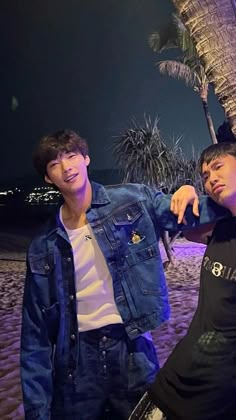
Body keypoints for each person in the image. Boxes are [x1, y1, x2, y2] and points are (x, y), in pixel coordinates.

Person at [20, 130, 227, 420]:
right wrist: (37, 411)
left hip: (132, 348)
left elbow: (194, 212)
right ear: (47, 177)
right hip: (76, 363)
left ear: (86, 159)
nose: (67, 168)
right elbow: (35, 335)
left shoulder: (132, 200)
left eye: (71, 156)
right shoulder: (44, 245)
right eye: (55, 164)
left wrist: (188, 191)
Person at [129, 142, 236, 420]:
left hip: (221, 389)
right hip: (180, 371)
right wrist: (190, 191)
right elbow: (187, 229)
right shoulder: (220, 226)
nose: (211, 177)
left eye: (218, 167)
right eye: (204, 174)